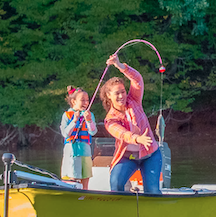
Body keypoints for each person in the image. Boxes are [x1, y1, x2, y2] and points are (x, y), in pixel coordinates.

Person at [99, 54, 162, 193]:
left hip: (150, 155)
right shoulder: (110, 119)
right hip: (128, 157)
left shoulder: (134, 100)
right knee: (115, 185)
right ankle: (122, 211)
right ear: (109, 96)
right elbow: (122, 133)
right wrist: (137, 139)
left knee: (153, 191)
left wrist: (120, 65)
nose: (121, 96)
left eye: (123, 91)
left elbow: (137, 79)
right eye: (117, 93)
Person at [60, 85, 97, 189]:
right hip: (72, 153)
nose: (86, 103)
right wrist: (74, 121)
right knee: (72, 178)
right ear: (74, 102)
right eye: (82, 100)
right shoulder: (67, 115)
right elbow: (65, 133)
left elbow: (93, 131)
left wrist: (89, 120)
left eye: (87, 100)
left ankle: (85, 194)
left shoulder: (89, 115)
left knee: (85, 176)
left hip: (85, 152)